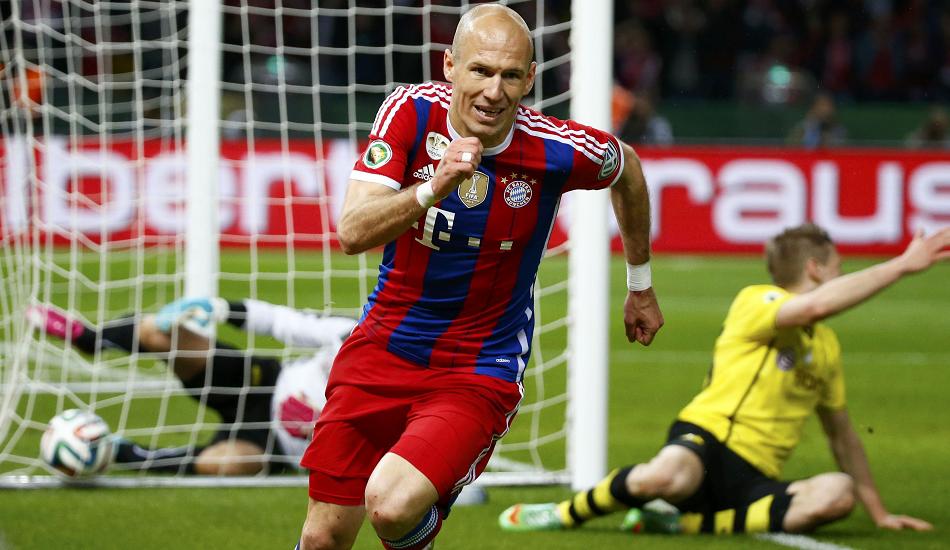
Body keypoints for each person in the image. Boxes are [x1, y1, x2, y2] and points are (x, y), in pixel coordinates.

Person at [296, 4, 664, 550]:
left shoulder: (556, 149)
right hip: (381, 349)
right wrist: (431, 189)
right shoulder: (408, 113)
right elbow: (352, 231)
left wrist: (639, 283)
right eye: (481, 71)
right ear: (450, 66)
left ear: (530, 79)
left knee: (391, 506)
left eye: (511, 75)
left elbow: (627, 168)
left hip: (478, 368)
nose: (494, 91)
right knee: (324, 537)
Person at [500, 223, 949, 536]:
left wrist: (880, 512)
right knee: (666, 477)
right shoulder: (758, 301)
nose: (842, 274)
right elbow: (813, 307)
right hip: (705, 442)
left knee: (836, 493)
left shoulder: (826, 346)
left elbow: (843, 435)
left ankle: (685, 525)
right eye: (837, 266)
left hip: (756, 479)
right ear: (815, 268)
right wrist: (901, 266)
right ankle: (561, 513)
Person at [27, 298, 355, 475]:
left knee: (225, 465)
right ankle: (92, 339)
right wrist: (219, 308)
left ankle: (118, 451)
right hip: (262, 382)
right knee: (163, 333)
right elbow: (281, 321)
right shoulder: (350, 333)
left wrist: (315, 427)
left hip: (275, 446)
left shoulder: (398, 393)